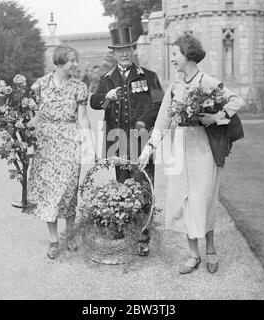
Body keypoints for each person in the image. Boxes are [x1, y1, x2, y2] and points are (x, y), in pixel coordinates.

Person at [138, 34, 245, 274]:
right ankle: (193, 254)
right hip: (180, 147)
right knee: (184, 200)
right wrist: (149, 147)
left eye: (175, 54)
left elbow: (237, 101)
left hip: (204, 148)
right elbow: (163, 121)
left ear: (188, 55)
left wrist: (216, 118)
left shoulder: (207, 82)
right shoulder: (175, 87)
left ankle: (210, 250)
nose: (172, 58)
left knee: (203, 199)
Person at [90, 27, 164, 256]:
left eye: (127, 49)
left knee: (142, 185)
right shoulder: (107, 79)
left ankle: (143, 236)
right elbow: (93, 101)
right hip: (117, 141)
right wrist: (106, 97)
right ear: (114, 53)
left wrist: (144, 121)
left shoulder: (148, 75)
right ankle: (123, 227)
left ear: (133, 50)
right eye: (119, 50)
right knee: (122, 186)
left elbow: (159, 104)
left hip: (141, 140)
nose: (124, 54)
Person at [26, 45, 96, 260]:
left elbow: (83, 118)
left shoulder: (79, 87)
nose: (75, 64)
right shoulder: (40, 85)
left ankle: (71, 235)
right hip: (45, 142)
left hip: (69, 140)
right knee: (49, 191)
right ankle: (54, 241)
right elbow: (32, 115)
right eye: (70, 60)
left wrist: (90, 145)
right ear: (58, 63)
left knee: (68, 189)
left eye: (76, 59)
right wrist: (23, 135)